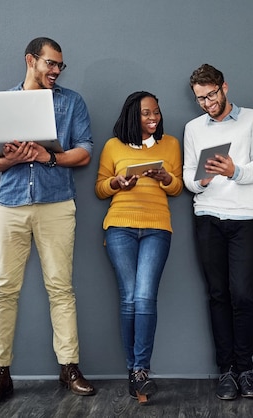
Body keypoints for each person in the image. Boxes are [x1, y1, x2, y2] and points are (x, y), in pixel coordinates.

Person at [0, 37, 95, 407]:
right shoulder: (3, 102)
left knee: (61, 288)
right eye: (50, 64)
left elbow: (85, 151)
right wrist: (10, 158)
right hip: (10, 205)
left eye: (60, 66)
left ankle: (69, 367)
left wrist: (48, 156)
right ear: (31, 60)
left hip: (56, 204)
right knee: (3, 290)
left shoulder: (71, 101)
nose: (56, 71)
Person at [183, 64, 253, 400]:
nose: (207, 103)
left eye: (211, 95)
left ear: (225, 88)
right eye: (200, 99)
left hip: (245, 218)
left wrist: (234, 170)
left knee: (243, 295)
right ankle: (226, 372)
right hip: (207, 216)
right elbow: (190, 178)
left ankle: (245, 369)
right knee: (218, 295)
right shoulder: (193, 129)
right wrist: (203, 179)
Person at [95, 91, 183, 404]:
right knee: (129, 298)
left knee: (145, 296)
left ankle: (140, 369)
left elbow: (177, 187)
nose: (153, 119)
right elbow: (100, 188)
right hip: (120, 226)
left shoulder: (170, 144)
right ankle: (136, 372)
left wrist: (165, 176)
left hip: (157, 228)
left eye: (156, 113)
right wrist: (118, 183)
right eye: (147, 113)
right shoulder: (113, 146)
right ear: (133, 115)